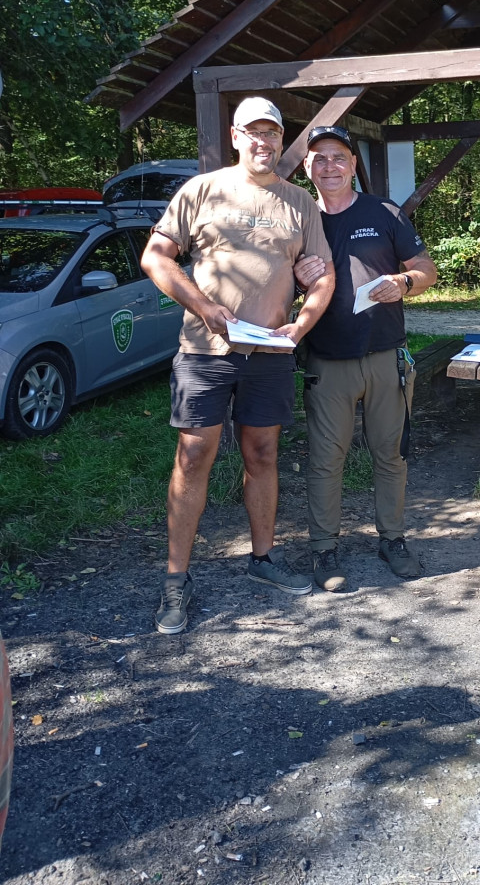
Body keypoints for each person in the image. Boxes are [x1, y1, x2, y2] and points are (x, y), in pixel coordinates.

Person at [141, 97, 335, 634]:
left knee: (263, 454)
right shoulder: (201, 190)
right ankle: (176, 580)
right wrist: (204, 306)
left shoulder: (300, 202)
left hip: (269, 353)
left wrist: (300, 327)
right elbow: (156, 257)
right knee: (192, 457)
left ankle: (263, 559)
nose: (262, 142)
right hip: (203, 352)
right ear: (235, 136)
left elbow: (322, 276)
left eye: (271, 133)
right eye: (253, 132)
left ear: (281, 140)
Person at [294, 125, 437, 592]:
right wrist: (296, 277)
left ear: (353, 165)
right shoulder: (297, 219)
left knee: (391, 455)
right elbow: (274, 286)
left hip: (385, 357)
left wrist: (404, 283)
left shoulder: (384, 211)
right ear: (307, 167)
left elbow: (427, 269)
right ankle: (323, 548)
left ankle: (392, 539)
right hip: (326, 361)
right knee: (325, 460)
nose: (329, 166)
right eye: (319, 158)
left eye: (338, 157)